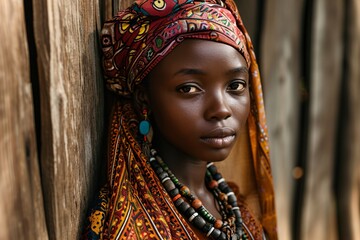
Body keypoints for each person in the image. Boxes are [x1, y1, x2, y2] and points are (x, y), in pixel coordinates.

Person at [82, 0, 277, 239]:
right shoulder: (120, 219)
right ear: (145, 99)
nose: (221, 109)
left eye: (235, 85)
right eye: (189, 89)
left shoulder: (239, 214)